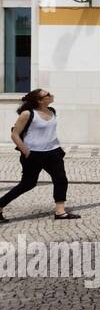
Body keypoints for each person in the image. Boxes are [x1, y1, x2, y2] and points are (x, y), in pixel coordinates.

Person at [0, 88, 79, 221]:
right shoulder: (27, 114)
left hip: (53, 152)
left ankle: (60, 212)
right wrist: (26, 151)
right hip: (33, 154)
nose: (51, 95)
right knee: (28, 183)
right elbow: (15, 134)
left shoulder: (52, 111)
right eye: (47, 95)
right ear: (40, 100)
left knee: (61, 179)